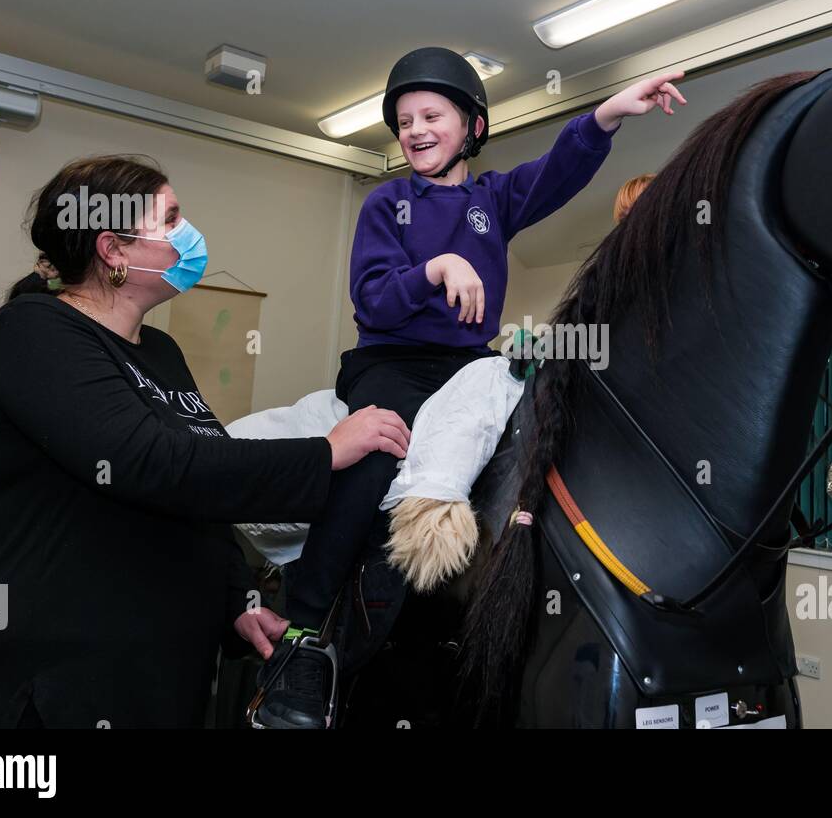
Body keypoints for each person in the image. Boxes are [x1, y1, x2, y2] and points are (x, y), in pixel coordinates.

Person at [259, 46, 686, 728]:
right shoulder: (385, 203)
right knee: (374, 452)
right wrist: (438, 267)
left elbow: (559, 168)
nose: (415, 129)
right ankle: (304, 636)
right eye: (404, 121)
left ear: (473, 128)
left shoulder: (496, 198)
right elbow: (373, 303)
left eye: (432, 115)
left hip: (468, 362)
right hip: (392, 361)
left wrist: (607, 114)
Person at [0, 154, 410, 728]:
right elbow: (147, 462)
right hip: (58, 679)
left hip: (162, 673)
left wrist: (237, 602)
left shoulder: (159, 352)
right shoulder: (33, 331)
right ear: (112, 250)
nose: (187, 236)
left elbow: (200, 500)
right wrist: (326, 452)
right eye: (168, 221)